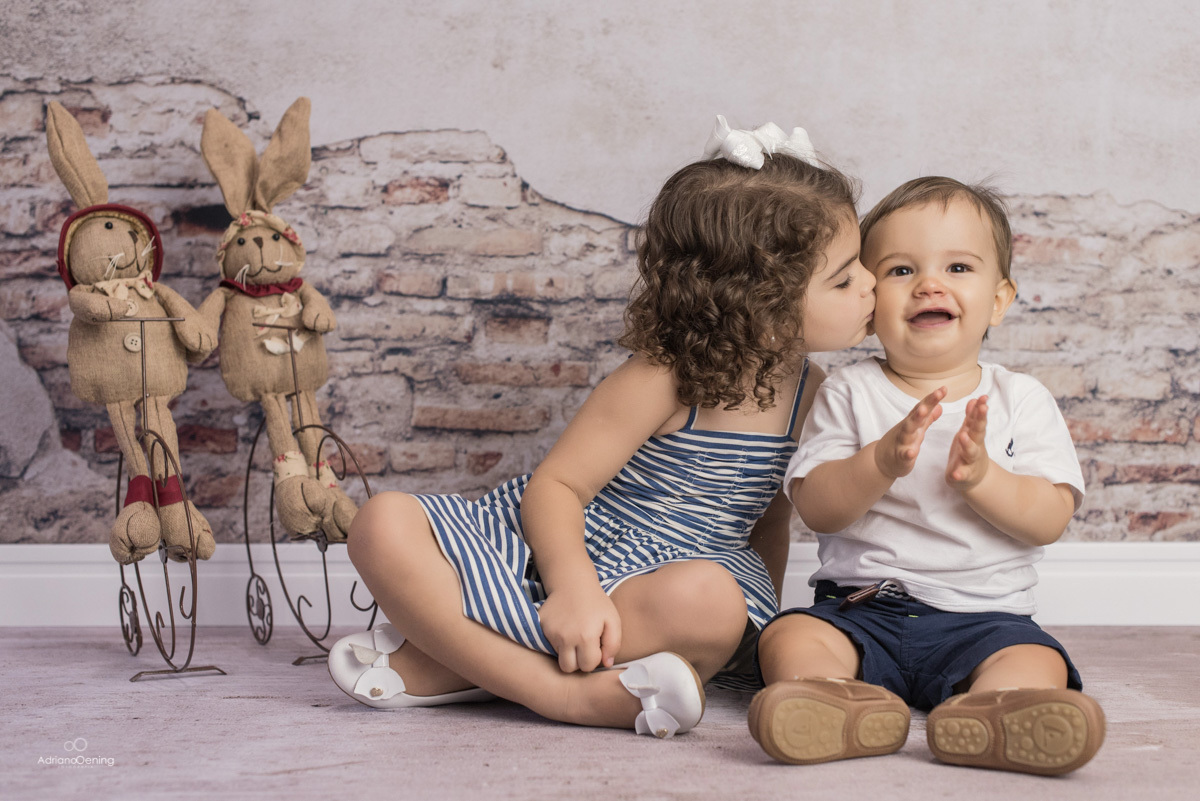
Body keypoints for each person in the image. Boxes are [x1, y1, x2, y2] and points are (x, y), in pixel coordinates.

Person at [327, 117, 876, 738]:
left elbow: (769, 521)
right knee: (381, 523)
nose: (872, 286)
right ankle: (561, 694)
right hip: (560, 557)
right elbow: (557, 488)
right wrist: (572, 591)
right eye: (846, 277)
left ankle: (456, 660)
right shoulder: (666, 376)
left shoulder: (814, 394)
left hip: (664, 590)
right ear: (760, 298)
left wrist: (756, 630)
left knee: (716, 603)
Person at [749, 176, 1105, 773]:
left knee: (1035, 662)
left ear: (999, 299)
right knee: (788, 640)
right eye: (900, 271)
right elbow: (818, 507)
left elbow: (1048, 518)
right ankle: (838, 701)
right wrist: (879, 463)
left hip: (984, 620)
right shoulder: (848, 391)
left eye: (959, 268)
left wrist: (982, 479)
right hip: (861, 611)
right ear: (868, 300)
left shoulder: (1021, 398)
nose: (930, 284)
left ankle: (997, 711)